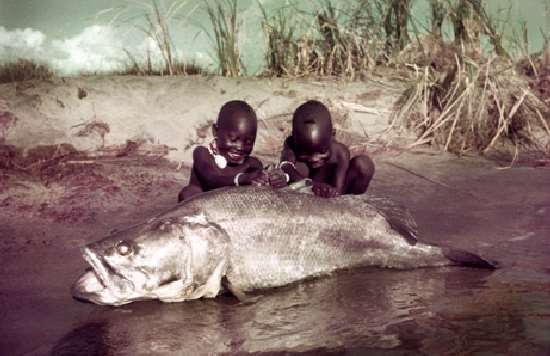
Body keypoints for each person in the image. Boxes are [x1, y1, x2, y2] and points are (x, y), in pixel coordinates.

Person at [178, 100, 287, 202]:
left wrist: (275, 180)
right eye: (233, 139)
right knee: (188, 193)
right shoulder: (203, 154)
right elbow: (211, 179)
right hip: (200, 207)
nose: (240, 147)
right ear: (216, 131)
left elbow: (262, 184)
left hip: (229, 210)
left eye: (248, 142)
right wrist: (242, 179)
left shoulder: (252, 164)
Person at [279, 100, 375, 198]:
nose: (314, 159)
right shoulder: (291, 144)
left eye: (322, 152)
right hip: (303, 186)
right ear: (294, 139)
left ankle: (356, 203)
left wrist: (329, 192)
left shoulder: (340, 152)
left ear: (332, 136)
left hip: (332, 190)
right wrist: (311, 185)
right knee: (288, 172)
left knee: (364, 165)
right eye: (305, 153)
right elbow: (286, 166)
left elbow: (338, 189)